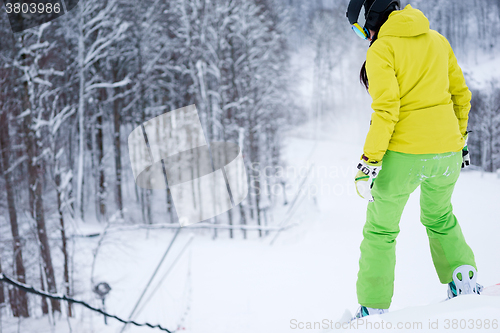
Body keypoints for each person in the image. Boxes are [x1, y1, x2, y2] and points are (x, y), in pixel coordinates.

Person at [345, 0, 481, 318]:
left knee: (381, 230)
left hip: (403, 154)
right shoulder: (437, 39)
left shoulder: (381, 50)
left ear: (370, 19)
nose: (364, 36)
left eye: (361, 28)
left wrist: (369, 162)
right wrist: (459, 143)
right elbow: (461, 96)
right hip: (447, 152)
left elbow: (387, 109)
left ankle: (373, 309)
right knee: (440, 218)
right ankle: (464, 282)